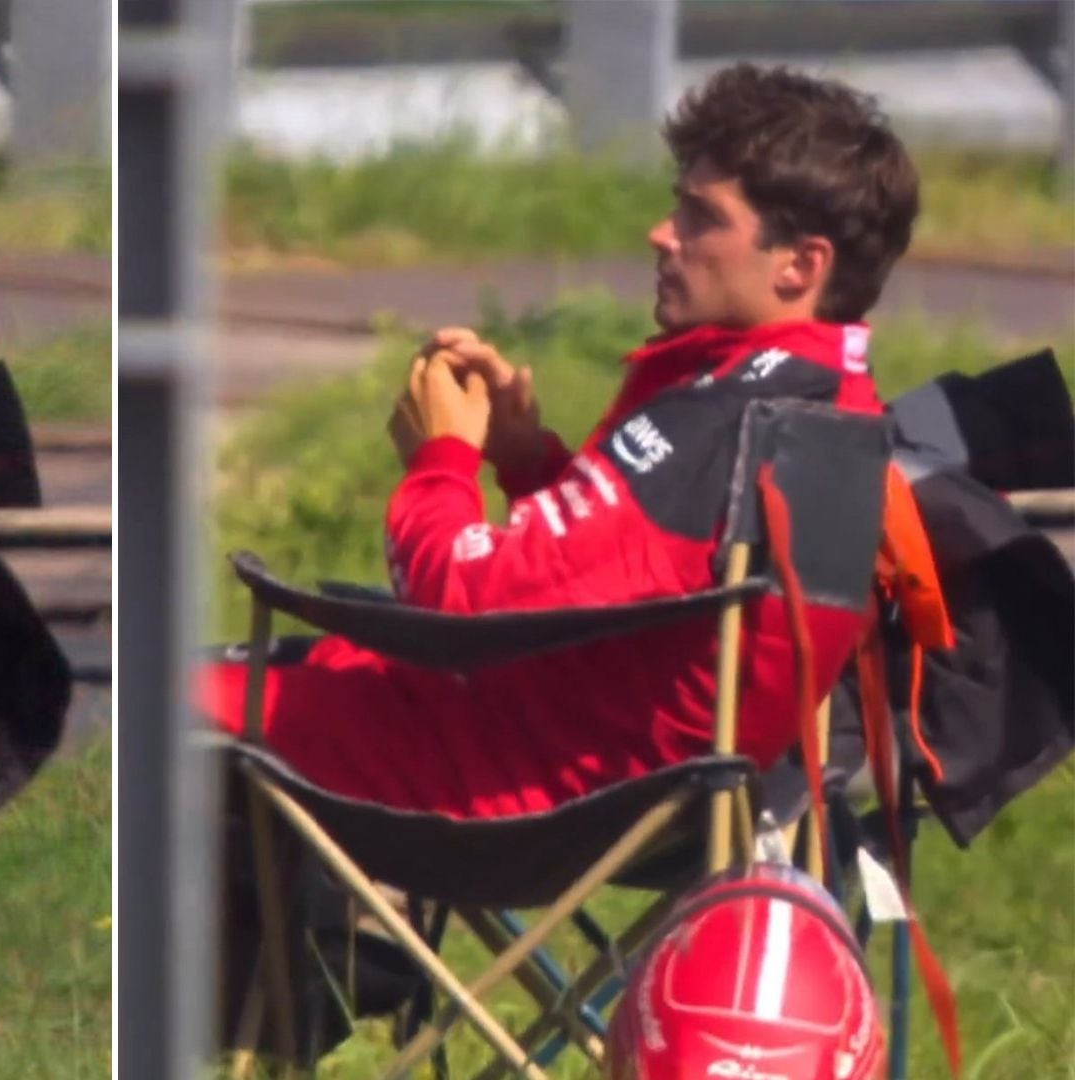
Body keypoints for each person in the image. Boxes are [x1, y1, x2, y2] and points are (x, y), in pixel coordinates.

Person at [206, 63, 920, 817]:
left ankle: (253, 931)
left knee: (178, 706)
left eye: (700, 217)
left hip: (536, 778)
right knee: (298, 667)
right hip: (622, 760)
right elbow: (632, 589)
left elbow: (459, 605)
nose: (661, 233)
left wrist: (440, 460)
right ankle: (309, 932)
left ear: (800, 265)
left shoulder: (728, 416)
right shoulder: (824, 397)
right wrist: (528, 464)